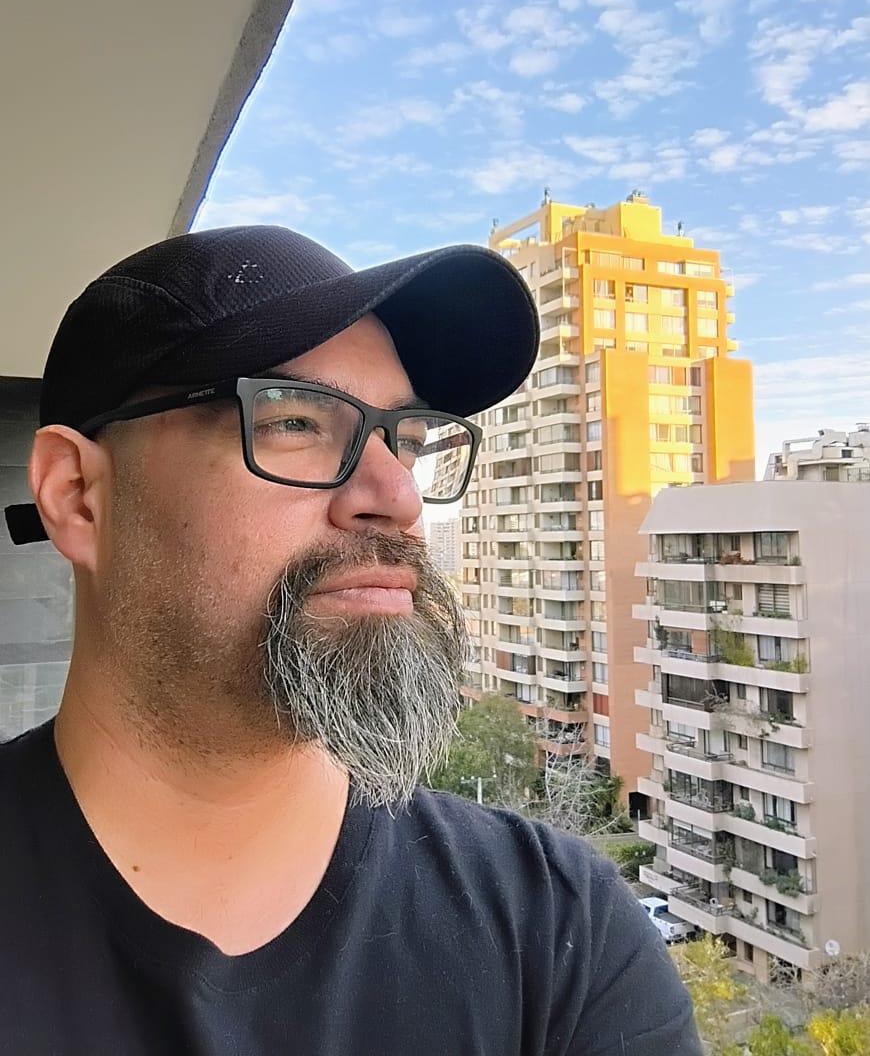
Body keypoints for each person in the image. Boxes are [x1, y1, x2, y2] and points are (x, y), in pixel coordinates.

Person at [1, 225, 702, 1054]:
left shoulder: (556, 933)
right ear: (78, 496)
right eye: (295, 421)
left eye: (406, 441)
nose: (398, 497)